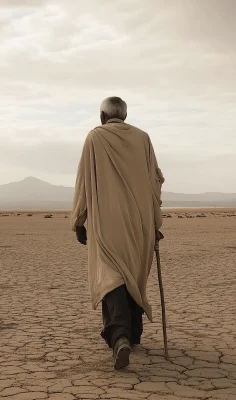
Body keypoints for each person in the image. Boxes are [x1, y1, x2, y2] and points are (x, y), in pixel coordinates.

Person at [71, 96, 165, 370]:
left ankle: (121, 336)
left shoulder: (95, 138)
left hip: (107, 222)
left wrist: (79, 220)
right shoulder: (143, 138)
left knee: (111, 277)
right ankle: (132, 334)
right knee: (133, 275)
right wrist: (155, 223)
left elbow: (83, 181)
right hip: (139, 222)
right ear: (125, 115)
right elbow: (154, 182)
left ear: (102, 116)